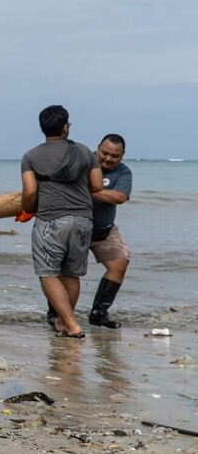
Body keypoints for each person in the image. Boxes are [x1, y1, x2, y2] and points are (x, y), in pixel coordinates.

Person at [18, 105, 103, 338]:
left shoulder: (31, 156)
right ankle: (65, 323)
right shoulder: (85, 152)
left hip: (50, 220)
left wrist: (27, 209)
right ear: (66, 127)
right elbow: (96, 185)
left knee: (47, 273)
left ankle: (71, 324)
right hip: (83, 220)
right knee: (71, 274)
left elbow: (30, 192)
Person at [87, 133, 132, 328]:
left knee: (120, 264)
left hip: (104, 230)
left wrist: (91, 191)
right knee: (66, 271)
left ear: (122, 156)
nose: (108, 158)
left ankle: (99, 313)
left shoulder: (123, 172)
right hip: (76, 228)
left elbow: (120, 196)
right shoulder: (83, 162)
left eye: (115, 156)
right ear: (97, 148)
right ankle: (56, 314)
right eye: (104, 153)